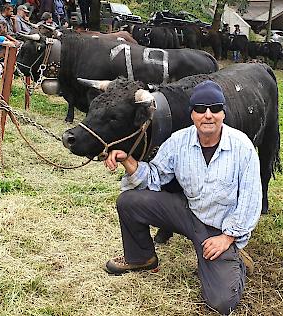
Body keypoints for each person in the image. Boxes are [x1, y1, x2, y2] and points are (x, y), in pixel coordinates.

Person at [102, 80, 260, 314]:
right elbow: (154, 176)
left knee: (221, 302)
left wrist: (228, 238)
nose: (208, 115)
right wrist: (127, 160)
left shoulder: (242, 148)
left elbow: (250, 201)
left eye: (215, 108)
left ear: (223, 113)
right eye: (200, 108)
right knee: (129, 201)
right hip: (188, 212)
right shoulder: (179, 142)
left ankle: (235, 262)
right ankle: (141, 257)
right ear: (192, 114)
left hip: (218, 228)